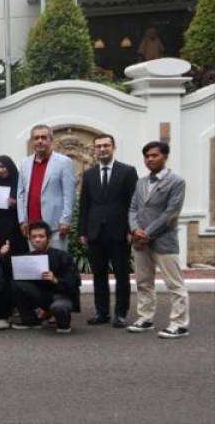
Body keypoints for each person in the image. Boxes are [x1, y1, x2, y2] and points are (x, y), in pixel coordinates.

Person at [126, 141, 189, 339]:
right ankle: (145, 318)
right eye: (147, 156)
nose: (150, 159)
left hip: (164, 240)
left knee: (174, 284)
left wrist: (147, 233)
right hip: (140, 241)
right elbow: (133, 209)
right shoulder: (141, 182)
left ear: (165, 156)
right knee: (143, 282)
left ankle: (179, 324)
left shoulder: (176, 181)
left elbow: (171, 213)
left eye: (154, 155)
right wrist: (135, 229)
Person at [77, 134, 138, 327]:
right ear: (94, 150)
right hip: (95, 232)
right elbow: (84, 205)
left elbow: (134, 204)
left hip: (120, 232)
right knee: (99, 275)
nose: (102, 149)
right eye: (98, 146)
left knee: (122, 275)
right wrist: (82, 231)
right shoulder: (89, 174)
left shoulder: (127, 171)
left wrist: (132, 229)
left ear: (113, 147)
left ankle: (120, 314)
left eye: (106, 145)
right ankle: (101, 312)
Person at [11, 221, 80, 333]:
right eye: (34, 237)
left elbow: (74, 283)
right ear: (29, 239)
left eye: (41, 236)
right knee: (16, 284)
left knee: (59, 307)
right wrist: (4, 256)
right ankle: (30, 321)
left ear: (49, 238)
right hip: (41, 297)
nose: (37, 240)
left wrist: (55, 279)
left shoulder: (63, 256)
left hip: (62, 295)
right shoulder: (27, 258)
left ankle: (64, 323)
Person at [17, 124, 76, 250]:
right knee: (36, 262)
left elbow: (69, 194)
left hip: (55, 227)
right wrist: (22, 220)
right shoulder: (24, 163)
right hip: (32, 227)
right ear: (32, 141)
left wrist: (66, 220)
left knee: (57, 261)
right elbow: (20, 194)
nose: (40, 141)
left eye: (44, 137)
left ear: (51, 140)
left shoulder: (64, 162)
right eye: (36, 138)